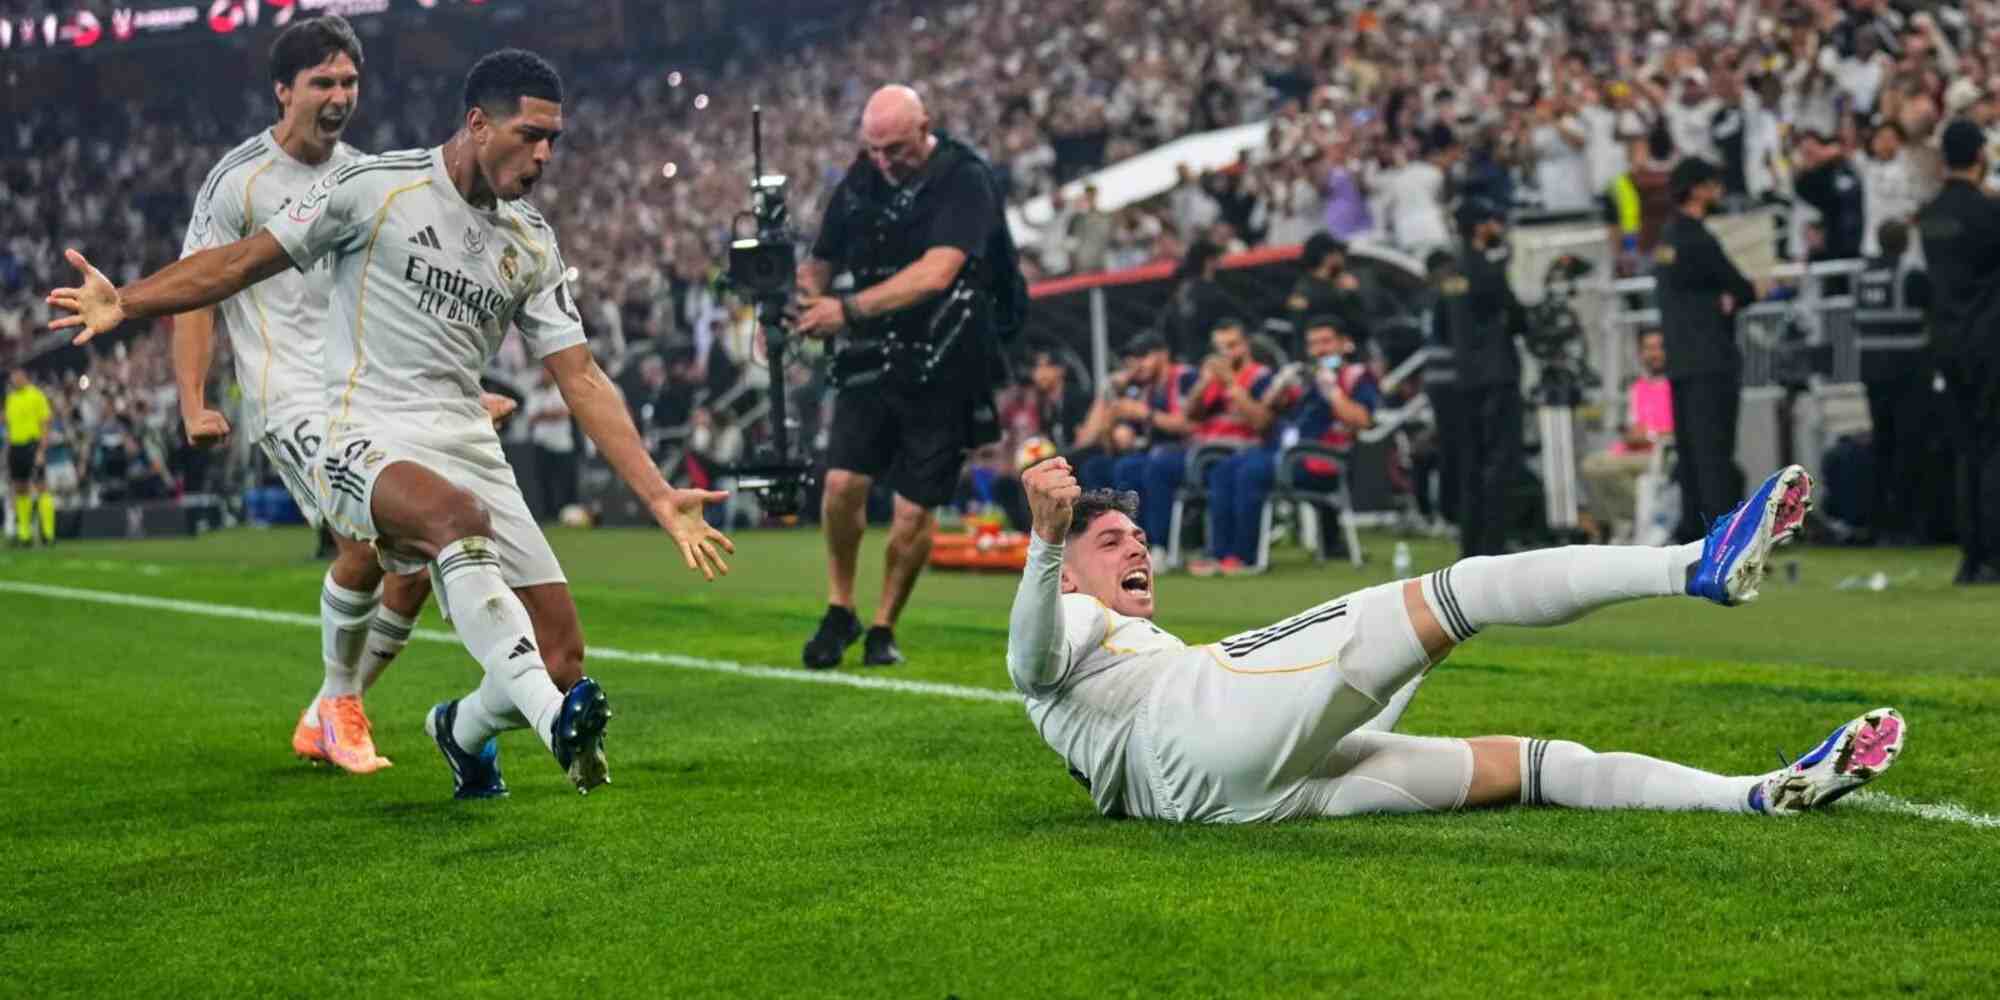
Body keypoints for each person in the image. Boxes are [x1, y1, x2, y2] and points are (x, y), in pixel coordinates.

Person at [47, 49, 734, 800]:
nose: (543, 155)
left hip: (465, 437)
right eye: (530, 135)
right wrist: (131, 302)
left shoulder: (531, 239)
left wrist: (660, 494)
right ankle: (551, 723)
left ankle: (462, 732)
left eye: (553, 141)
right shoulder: (375, 189)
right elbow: (241, 261)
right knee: (456, 523)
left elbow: (582, 376)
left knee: (563, 653)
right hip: (362, 432)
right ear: (478, 124)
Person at [1007, 459, 1905, 823]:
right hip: (1198, 727)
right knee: (1461, 588)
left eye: (1138, 537)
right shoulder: (1070, 613)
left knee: (1528, 764)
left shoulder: (1116, 641)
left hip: (1235, 798)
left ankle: (1758, 794)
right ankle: (1695, 565)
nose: (1138, 548)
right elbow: (1028, 664)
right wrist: (1046, 542)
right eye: (1110, 541)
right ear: (1069, 572)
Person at [173, 14, 437, 774]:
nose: (340, 94)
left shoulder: (363, 177)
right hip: (288, 393)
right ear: (283, 90)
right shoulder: (238, 182)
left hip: (371, 389)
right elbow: (195, 292)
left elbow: (396, 297)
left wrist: (449, 391)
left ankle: (332, 706)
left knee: (415, 560)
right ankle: (340, 708)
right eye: (322, 81)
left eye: (349, 80)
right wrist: (193, 400)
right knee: (363, 539)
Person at [793, 84, 1018, 669]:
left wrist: (846, 310)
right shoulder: (863, 177)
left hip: (946, 358)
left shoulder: (964, 177)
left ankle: (885, 623)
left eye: (896, 148)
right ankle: (840, 608)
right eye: (875, 150)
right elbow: (820, 260)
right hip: (872, 357)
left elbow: (937, 273)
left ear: (925, 129)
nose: (886, 162)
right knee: (842, 485)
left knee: (915, 512)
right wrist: (804, 296)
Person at [1196, 317, 1378, 575]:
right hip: (1286, 454)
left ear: (1344, 344)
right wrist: (1279, 390)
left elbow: (1363, 421)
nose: (1319, 350)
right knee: (1224, 469)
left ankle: (1244, 559)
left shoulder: (1357, 375)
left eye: (1326, 342)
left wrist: (1332, 391)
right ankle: (1219, 555)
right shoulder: (1304, 377)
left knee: (1251, 471)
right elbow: (1267, 417)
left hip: (1323, 460)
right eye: (1313, 344)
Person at [1915, 120, 2000, 584]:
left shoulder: (1930, 215)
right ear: (1980, 155)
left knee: (1965, 450)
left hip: (1945, 343)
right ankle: (1992, 554)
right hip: (1988, 342)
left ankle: (1970, 557)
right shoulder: (1988, 213)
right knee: (1992, 448)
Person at [1657, 157, 1755, 543]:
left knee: (1691, 455)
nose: (1717, 192)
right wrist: (1731, 297)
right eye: (1712, 185)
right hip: (1712, 359)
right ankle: (1722, 542)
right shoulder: (1699, 239)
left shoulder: (1667, 238)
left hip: (1680, 361)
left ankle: (1692, 538)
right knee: (1715, 455)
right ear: (1697, 189)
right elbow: (1742, 287)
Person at [1445, 198, 1526, 558]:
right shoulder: (1487, 270)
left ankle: (1470, 545)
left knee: (1471, 464)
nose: (1498, 227)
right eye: (1492, 221)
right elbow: (1517, 316)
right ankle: (1493, 546)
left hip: (1464, 379)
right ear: (1480, 227)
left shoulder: (1450, 273)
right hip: (1497, 376)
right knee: (1499, 464)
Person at [1580, 330, 1675, 540]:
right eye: (1649, 349)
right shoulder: (1637, 387)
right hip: (1630, 450)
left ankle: (1634, 519)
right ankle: (1618, 521)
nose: (1654, 354)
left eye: (1659, 347)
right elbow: (1632, 427)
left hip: (1659, 452)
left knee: (1606, 470)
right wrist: (1633, 435)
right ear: (1641, 354)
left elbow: (1676, 431)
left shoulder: (1676, 386)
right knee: (1589, 465)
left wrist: (1649, 436)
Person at [4, 368, 54, 546]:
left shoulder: (37, 396)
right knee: (20, 488)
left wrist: (41, 450)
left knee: (42, 487)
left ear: (24, 376)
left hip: (33, 445)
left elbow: (46, 423)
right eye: (12, 377)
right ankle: (24, 533)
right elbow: (9, 427)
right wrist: (7, 450)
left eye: (17, 376)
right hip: (16, 448)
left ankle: (48, 533)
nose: (14, 380)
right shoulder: (10, 399)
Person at [525, 366, 578, 520]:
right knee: (545, 482)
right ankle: (549, 515)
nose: (544, 376)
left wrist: (543, 414)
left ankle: (570, 514)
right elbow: (531, 418)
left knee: (566, 482)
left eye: (547, 373)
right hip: (542, 444)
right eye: (542, 372)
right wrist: (551, 414)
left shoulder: (561, 390)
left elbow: (566, 412)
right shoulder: (535, 392)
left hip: (562, 444)